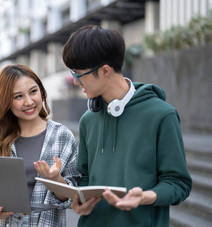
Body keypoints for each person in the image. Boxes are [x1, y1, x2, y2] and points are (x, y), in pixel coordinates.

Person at [62, 25, 192, 226]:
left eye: (79, 74)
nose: (76, 81)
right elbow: (85, 178)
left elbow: (178, 184)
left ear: (105, 70)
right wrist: (79, 202)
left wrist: (145, 197)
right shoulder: (88, 119)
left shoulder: (162, 115)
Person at [0, 64, 81, 226]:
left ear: (41, 91)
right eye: (18, 96)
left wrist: (55, 179)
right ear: (6, 102)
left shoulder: (62, 136)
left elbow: (73, 198)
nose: (29, 101)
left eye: (33, 91)